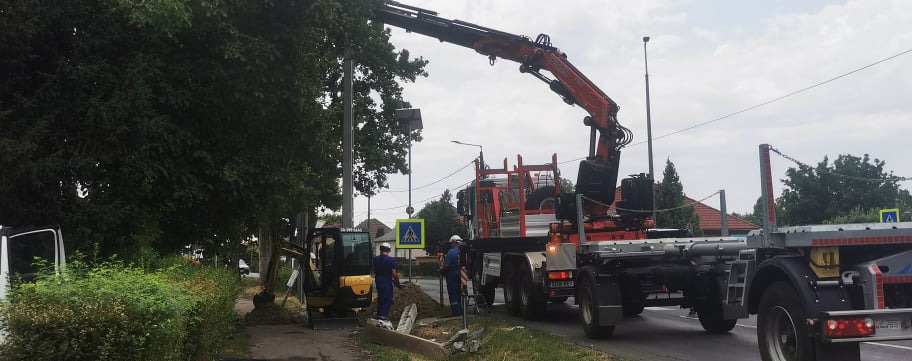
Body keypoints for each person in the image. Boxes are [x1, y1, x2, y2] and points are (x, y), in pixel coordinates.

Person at [373, 242, 401, 328]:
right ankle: (383, 319)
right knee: (387, 300)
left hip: (378, 282)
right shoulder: (390, 260)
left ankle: (379, 315)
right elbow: (394, 273)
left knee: (381, 298)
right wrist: (397, 283)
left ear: (380, 249)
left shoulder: (375, 259)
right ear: (389, 250)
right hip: (386, 282)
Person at [441, 235, 464, 316]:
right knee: (459, 292)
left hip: (451, 274)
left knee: (453, 292)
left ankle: (456, 312)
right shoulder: (462, 251)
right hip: (461, 274)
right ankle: (461, 310)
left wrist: (441, 270)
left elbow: (446, 265)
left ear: (453, 243)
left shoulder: (451, 252)